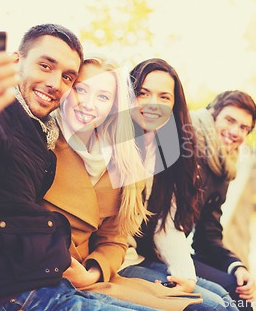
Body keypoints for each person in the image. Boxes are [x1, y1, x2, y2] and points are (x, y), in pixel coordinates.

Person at [0, 24, 155, 311]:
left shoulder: (41, 137)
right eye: (45, 65)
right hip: (10, 290)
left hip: (52, 279)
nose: (54, 83)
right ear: (16, 62)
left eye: (66, 77)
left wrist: (91, 272)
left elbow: (116, 237)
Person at [43, 54, 202, 311]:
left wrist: (94, 272)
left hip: (98, 270)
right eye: (81, 89)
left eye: (103, 97)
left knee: (209, 304)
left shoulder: (122, 158)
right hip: (51, 277)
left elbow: (119, 235)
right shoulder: (43, 141)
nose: (88, 103)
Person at [118, 58, 238, 311]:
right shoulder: (115, 144)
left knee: (226, 299)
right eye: (143, 93)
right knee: (214, 306)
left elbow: (167, 224)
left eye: (164, 97)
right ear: (128, 96)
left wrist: (185, 276)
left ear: (174, 105)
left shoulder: (166, 151)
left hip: (139, 259)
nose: (154, 104)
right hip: (117, 265)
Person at [190, 91, 256, 311]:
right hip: (147, 253)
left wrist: (235, 266)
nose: (235, 132)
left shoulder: (223, 166)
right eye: (230, 120)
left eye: (243, 128)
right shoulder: (186, 147)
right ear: (212, 115)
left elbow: (207, 233)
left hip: (174, 252)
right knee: (221, 301)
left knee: (238, 288)